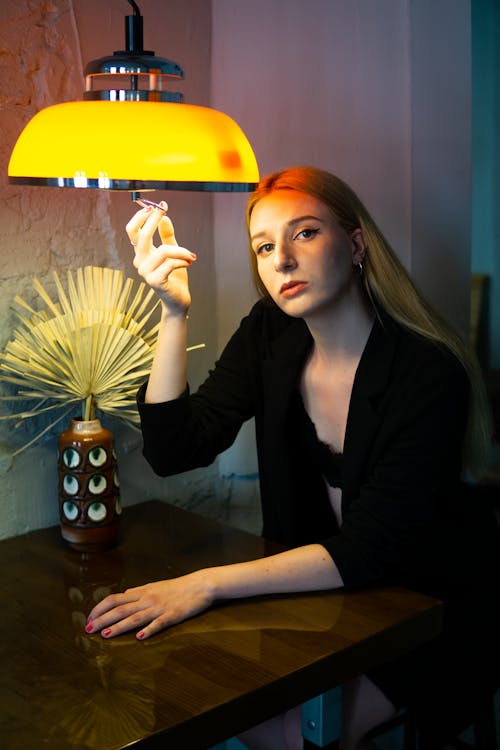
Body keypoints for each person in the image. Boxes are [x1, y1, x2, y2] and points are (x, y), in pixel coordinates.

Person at [86, 166, 500, 750]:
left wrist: (202, 584)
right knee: (188, 691)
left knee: (286, 732)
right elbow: (176, 448)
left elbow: (367, 550)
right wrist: (172, 312)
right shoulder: (270, 335)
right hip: (324, 599)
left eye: (304, 233)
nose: (280, 260)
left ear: (356, 245)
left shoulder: (427, 372)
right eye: (263, 246)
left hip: (430, 604)